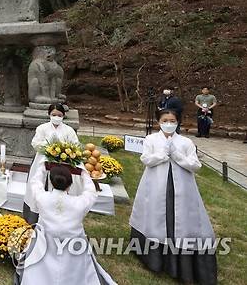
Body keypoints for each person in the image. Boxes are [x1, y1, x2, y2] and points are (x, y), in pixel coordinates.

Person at [129, 109, 217, 285]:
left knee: (181, 220)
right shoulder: (151, 139)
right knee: (157, 218)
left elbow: (195, 165)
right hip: (155, 185)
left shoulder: (186, 142)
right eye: (165, 120)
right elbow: (146, 159)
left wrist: (177, 156)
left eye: (172, 120)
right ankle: (155, 258)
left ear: (178, 122)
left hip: (182, 188)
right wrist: (162, 155)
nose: (169, 123)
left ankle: (181, 262)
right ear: (158, 121)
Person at [15, 165, 117, 285]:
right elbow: (91, 191)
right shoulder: (80, 203)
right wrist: (83, 172)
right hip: (73, 247)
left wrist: (42, 166)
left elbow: (35, 182)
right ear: (70, 184)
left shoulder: (42, 198)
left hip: (45, 243)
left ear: (52, 183)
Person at [23, 103, 81, 226]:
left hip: (62, 165)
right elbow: (35, 143)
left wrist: (63, 149)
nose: (56, 117)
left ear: (63, 116)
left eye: (59, 115)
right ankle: (34, 219)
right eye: (54, 114)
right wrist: (51, 147)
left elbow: (75, 145)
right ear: (49, 115)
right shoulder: (42, 128)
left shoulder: (68, 130)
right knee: (40, 185)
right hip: (43, 162)